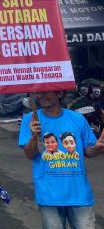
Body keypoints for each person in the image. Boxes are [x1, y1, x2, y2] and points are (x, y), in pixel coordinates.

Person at [19, 91, 104, 229]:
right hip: (49, 196)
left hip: (79, 195)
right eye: (38, 93)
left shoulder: (77, 119)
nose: (41, 96)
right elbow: (30, 154)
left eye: (47, 92)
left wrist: (98, 148)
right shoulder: (30, 120)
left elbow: (88, 151)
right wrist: (34, 136)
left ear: (59, 94)